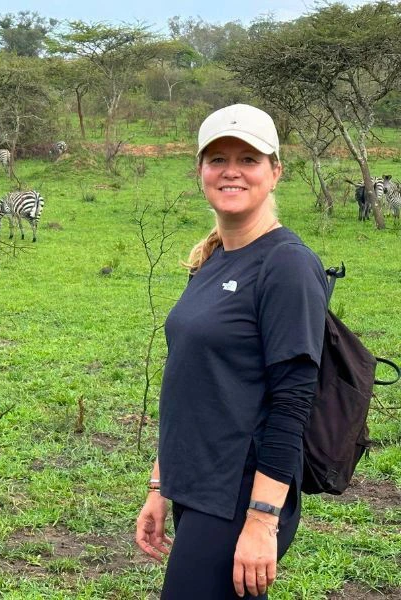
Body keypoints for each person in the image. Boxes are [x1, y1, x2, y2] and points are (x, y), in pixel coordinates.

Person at [135, 104, 329, 599]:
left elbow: (292, 404)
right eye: (217, 158)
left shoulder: (287, 264)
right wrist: (161, 486)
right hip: (197, 484)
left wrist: (262, 521)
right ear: (200, 170)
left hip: (240, 494)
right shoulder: (212, 258)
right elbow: (192, 383)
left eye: (249, 158)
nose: (231, 171)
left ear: (275, 171)